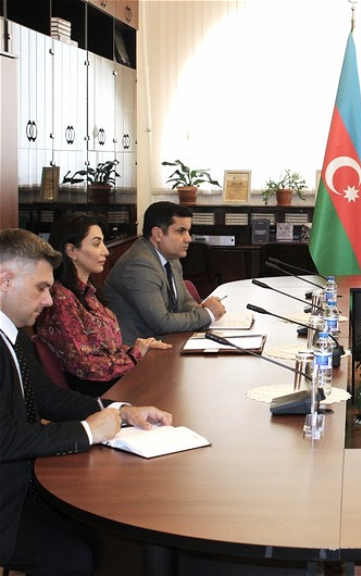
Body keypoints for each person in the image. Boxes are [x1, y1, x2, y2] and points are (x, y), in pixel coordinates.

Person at [0, 228, 172, 574]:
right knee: (73, 557)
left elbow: (47, 398)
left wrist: (120, 411)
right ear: (5, 280)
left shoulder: (14, 333)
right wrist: (87, 431)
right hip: (7, 503)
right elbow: (4, 438)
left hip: (25, 486)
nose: (49, 301)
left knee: (105, 534)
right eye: (41, 288)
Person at [36, 214, 173, 397]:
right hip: (96, 394)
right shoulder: (61, 300)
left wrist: (139, 348)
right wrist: (134, 356)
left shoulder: (89, 292)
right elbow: (86, 367)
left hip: (112, 382)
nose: (106, 251)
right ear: (71, 251)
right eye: (96, 244)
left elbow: (106, 349)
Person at [103, 201, 226, 345]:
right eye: (181, 231)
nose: (188, 238)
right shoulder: (139, 265)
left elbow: (184, 302)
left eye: (188, 231)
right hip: (135, 350)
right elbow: (161, 323)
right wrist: (208, 314)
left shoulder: (171, 258)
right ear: (158, 234)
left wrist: (198, 309)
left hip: (163, 341)